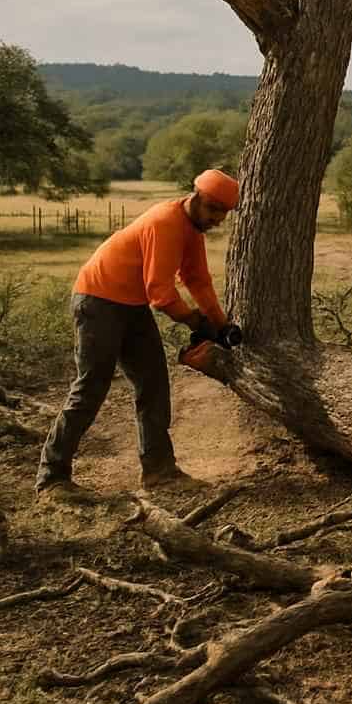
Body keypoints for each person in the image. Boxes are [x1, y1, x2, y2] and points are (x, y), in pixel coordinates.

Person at [35, 169, 240, 498]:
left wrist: (220, 324)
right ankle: (52, 478)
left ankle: (159, 472)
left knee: (154, 384)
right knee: (91, 387)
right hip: (98, 301)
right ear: (196, 197)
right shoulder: (166, 222)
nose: (218, 218)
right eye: (214, 209)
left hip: (131, 305)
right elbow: (159, 292)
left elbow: (197, 280)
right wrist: (194, 322)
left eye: (224, 213)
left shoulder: (191, 230)